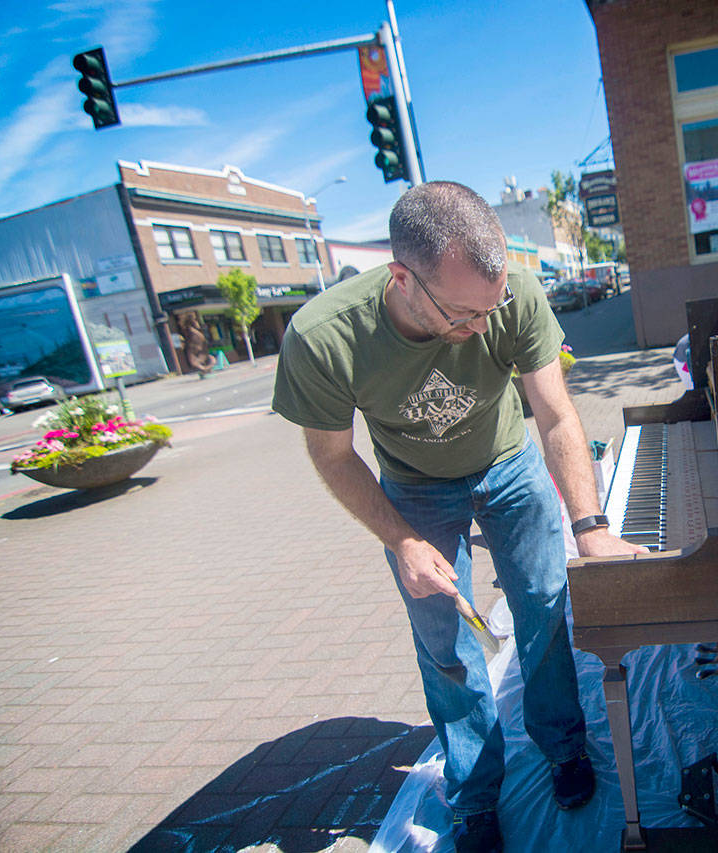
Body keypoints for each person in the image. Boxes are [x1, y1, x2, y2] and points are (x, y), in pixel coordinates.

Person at [271, 181, 646, 853]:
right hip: (414, 488)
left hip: (508, 463)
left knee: (542, 603)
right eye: (462, 316)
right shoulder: (323, 336)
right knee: (446, 642)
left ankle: (563, 746)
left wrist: (591, 527)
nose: (480, 328)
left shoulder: (514, 294)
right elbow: (332, 457)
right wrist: (403, 539)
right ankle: (475, 794)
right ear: (401, 279)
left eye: (491, 307)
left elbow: (556, 414)